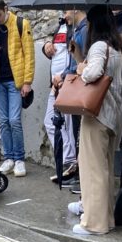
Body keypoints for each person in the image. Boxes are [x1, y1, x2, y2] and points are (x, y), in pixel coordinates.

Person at [67, 5, 122, 235]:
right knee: (106, 169)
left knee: (93, 170)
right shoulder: (117, 47)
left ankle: (93, 223)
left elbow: (93, 73)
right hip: (113, 115)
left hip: (97, 114)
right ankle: (106, 219)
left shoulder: (99, 46)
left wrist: (81, 67)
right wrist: (79, 56)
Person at [0, 0, 35, 177]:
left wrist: (27, 82)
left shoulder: (21, 24)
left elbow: (29, 55)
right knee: (3, 121)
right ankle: (8, 158)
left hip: (15, 81)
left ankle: (19, 159)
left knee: (14, 121)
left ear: (5, 8)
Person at [43, 12, 79, 184]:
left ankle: (70, 163)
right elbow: (54, 51)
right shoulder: (61, 26)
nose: (64, 14)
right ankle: (68, 159)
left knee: (68, 124)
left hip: (67, 82)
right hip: (55, 83)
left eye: (66, 11)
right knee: (50, 121)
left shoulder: (78, 29)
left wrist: (65, 77)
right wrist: (46, 46)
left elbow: (73, 57)